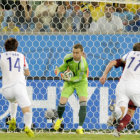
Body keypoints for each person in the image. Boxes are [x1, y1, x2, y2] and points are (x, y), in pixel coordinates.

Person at [0, 38, 34, 137]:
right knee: (27, 108)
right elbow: (27, 72)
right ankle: (28, 126)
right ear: (16, 47)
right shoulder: (21, 56)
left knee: (13, 100)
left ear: (5, 47)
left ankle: (12, 119)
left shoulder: (1, 56)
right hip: (19, 87)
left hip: (6, 90)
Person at [54, 44, 88, 134]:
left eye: (77, 53)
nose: (75, 54)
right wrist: (59, 69)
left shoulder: (83, 64)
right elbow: (64, 66)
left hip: (81, 82)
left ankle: (80, 127)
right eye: (73, 52)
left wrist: (68, 78)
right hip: (69, 82)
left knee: (83, 101)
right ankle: (60, 119)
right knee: (62, 101)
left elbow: (79, 78)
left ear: (81, 53)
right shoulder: (68, 58)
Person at [99, 58, 136, 136]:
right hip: (135, 88)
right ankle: (117, 130)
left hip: (122, 85)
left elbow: (112, 62)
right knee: (130, 111)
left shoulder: (128, 57)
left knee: (122, 110)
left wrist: (104, 75)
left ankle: (116, 111)